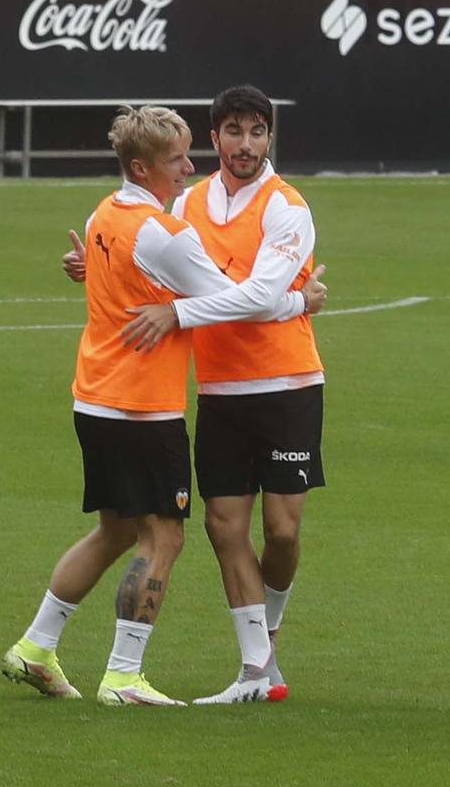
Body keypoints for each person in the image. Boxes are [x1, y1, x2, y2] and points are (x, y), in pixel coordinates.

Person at [5, 106, 326, 707]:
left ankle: (36, 645)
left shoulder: (105, 212)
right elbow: (240, 301)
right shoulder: (166, 232)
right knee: (165, 540)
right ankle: (124, 674)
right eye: (178, 158)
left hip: (94, 397)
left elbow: (120, 271)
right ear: (141, 166)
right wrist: (299, 300)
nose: (189, 168)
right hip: (143, 408)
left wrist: (88, 269)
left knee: (115, 531)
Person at [115, 86, 326, 706]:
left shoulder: (288, 208)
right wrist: (97, 270)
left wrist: (181, 314)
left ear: (269, 139)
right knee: (223, 524)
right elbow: (147, 253)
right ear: (215, 139)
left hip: (287, 383)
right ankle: (256, 669)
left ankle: (271, 630)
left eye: (257, 132)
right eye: (234, 131)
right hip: (219, 389)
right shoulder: (187, 201)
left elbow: (261, 296)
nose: (245, 144)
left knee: (282, 532)